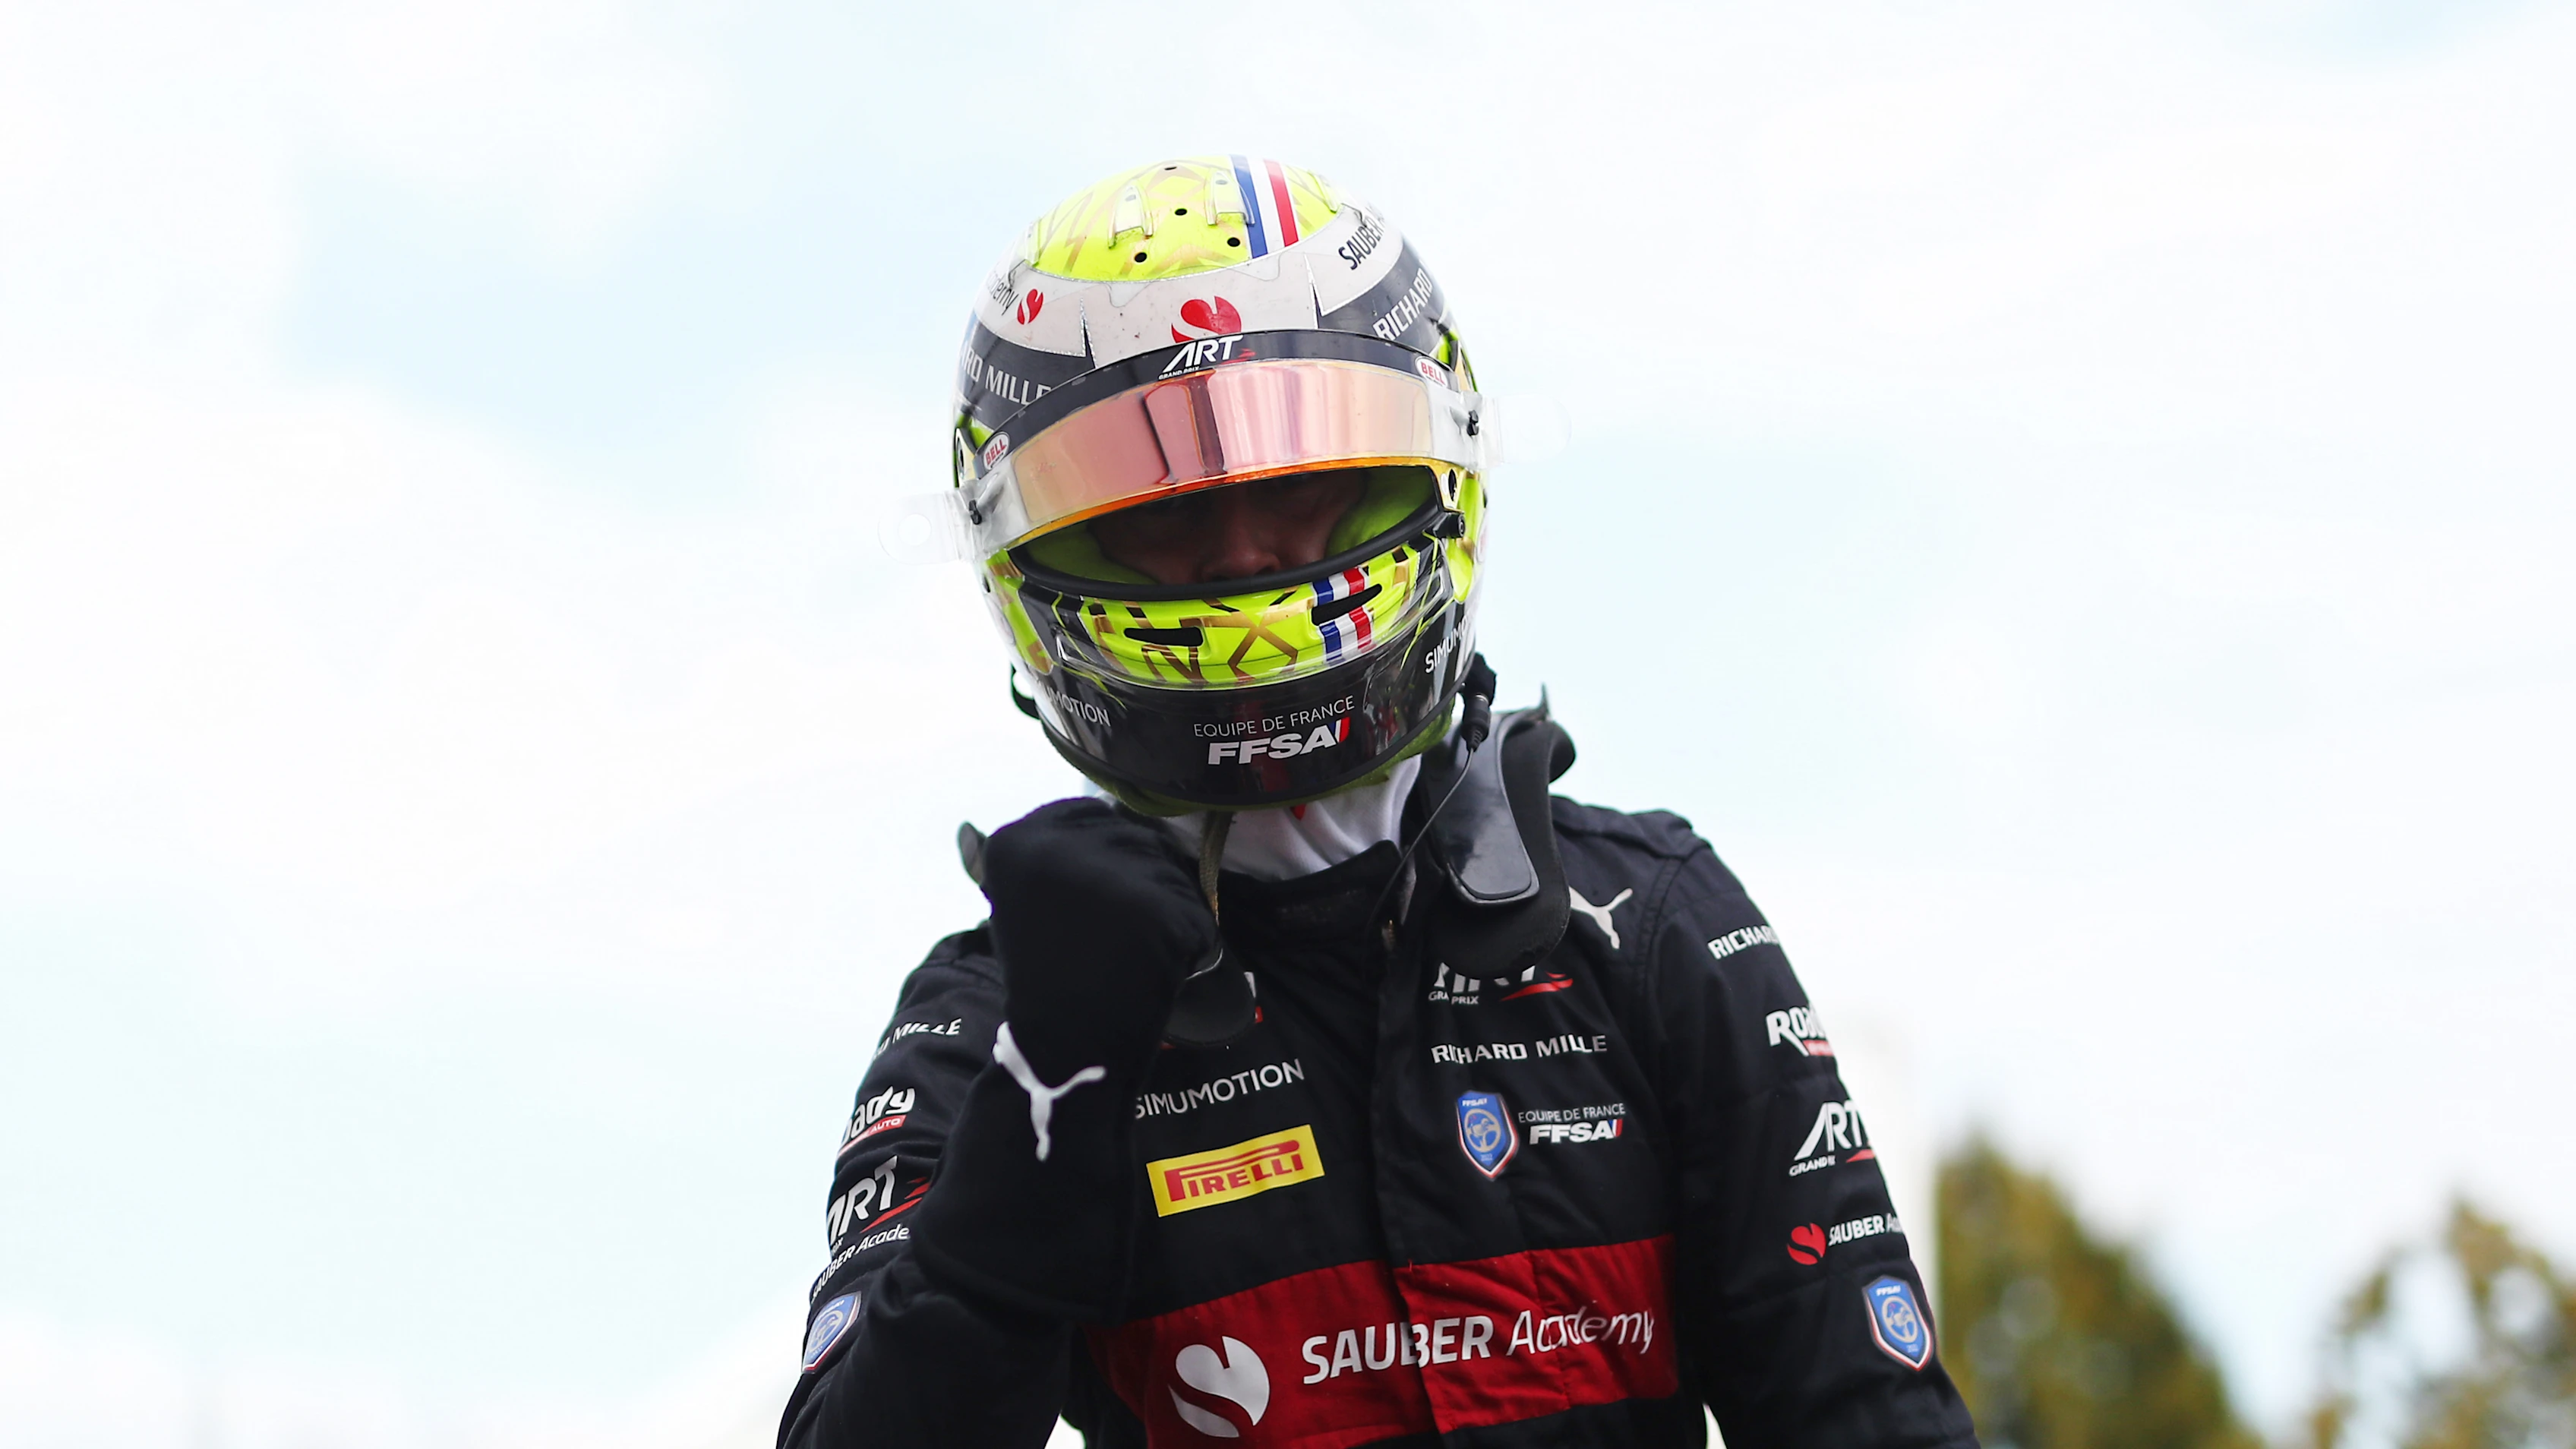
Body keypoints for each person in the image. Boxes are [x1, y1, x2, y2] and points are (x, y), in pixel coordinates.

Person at [777, 156, 1978, 1449]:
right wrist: (1044, 1103)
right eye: (1167, 513)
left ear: (1432, 467)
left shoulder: (1651, 922)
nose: (1244, 556)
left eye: (1300, 483)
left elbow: (1870, 1421)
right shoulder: (1003, 1016)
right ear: (1031, 554)